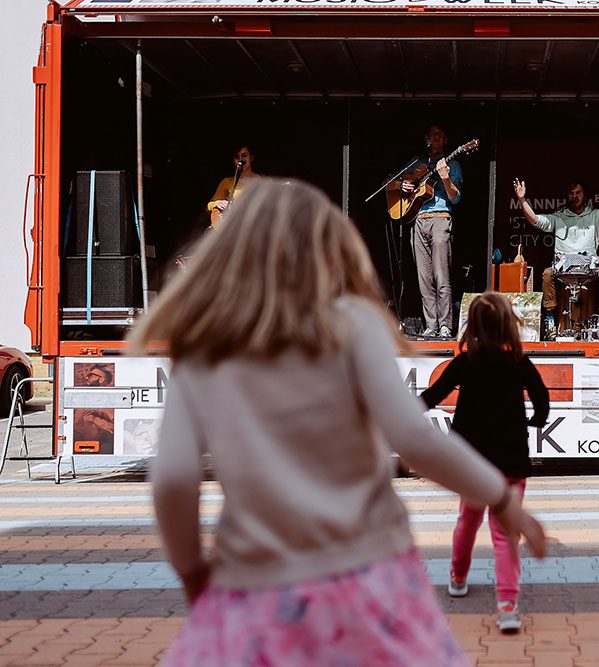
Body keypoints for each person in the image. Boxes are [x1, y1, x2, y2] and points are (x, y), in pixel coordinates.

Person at [129, 178, 546, 666]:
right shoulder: (353, 323)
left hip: (253, 583)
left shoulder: (202, 345)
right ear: (329, 253)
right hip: (369, 578)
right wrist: (500, 498)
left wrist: (191, 570)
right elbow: (414, 439)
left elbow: (174, 478)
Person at [420, 292, 550, 633]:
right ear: (509, 325)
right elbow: (542, 400)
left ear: (472, 326)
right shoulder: (519, 362)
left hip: (472, 463)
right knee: (505, 534)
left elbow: (433, 396)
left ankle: (458, 576)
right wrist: (535, 419)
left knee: (467, 520)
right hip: (511, 459)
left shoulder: (466, 362)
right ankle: (507, 606)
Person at [514, 161, 599, 332]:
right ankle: (549, 317)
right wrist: (522, 199)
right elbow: (535, 220)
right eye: (571, 193)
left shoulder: (595, 216)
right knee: (547, 274)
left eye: (578, 193)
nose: (574, 196)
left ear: (585, 196)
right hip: (564, 271)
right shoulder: (559, 218)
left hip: (588, 271)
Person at [403, 125, 463, 339]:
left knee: (441, 275)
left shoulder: (452, 164)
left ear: (446, 140)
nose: (435, 137)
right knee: (424, 277)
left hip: (440, 218)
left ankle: (445, 325)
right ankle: (431, 325)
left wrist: (445, 178)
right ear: (426, 138)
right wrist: (405, 186)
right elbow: (394, 182)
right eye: (431, 134)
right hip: (418, 219)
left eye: (440, 133)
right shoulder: (416, 163)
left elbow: (455, 198)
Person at [206, 146, 259, 226]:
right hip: (235, 227)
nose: (240, 159)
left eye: (244, 155)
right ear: (234, 161)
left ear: (251, 158)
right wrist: (216, 203)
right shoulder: (227, 182)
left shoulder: (264, 181)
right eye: (237, 157)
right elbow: (209, 206)